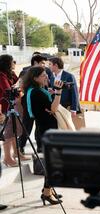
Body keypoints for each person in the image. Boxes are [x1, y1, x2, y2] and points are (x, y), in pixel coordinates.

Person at [22, 66, 64, 205]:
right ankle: (46, 192)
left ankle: (49, 190)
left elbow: (47, 108)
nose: (47, 77)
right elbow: (53, 108)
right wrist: (58, 93)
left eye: (46, 74)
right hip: (47, 132)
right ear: (35, 78)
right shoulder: (38, 93)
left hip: (45, 130)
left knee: (53, 162)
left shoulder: (35, 91)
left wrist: (51, 94)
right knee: (53, 164)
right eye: (43, 75)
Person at [18, 54, 54, 154]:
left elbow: (48, 83)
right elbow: (20, 85)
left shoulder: (46, 71)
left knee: (39, 126)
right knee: (27, 125)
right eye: (42, 63)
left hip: (41, 97)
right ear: (35, 63)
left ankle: (40, 146)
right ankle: (21, 145)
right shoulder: (25, 71)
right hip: (30, 100)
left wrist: (47, 91)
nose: (44, 65)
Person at [0, 54, 29, 167]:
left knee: (14, 130)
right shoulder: (1, 75)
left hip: (14, 105)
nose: (14, 63)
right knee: (8, 132)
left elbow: (20, 84)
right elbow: (8, 90)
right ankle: (7, 158)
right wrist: (19, 88)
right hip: (5, 107)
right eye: (13, 61)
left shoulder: (10, 73)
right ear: (7, 63)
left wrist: (19, 86)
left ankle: (16, 153)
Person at [48, 57, 83, 130]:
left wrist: (74, 109)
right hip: (57, 108)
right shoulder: (52, 77)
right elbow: (58, 91)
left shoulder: (69, 76)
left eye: (50, 64)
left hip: (67, 107)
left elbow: (74, 93)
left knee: (70, 128)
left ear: (56, 65)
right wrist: (53, 91)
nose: (49, 66)